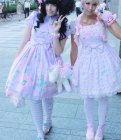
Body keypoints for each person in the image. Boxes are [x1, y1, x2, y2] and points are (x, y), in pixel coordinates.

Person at [5, 0, 75, 139]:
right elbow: (25, 40)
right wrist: (16, 60)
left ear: (60, 6)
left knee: (46, 94)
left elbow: (58, 51)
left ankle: (47, 121)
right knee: (33, 95)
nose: (49, 8)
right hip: (31, 60)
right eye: (47, 3)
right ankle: (39, 132)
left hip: (49, 62)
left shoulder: (64, 24)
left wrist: (55, 32)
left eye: (54, 4)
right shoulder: (35, 16)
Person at [70, 0, 121, 140]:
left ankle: (101, 127)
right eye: (87, 3)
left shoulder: (102, 18)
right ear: (81, 3)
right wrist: (72, 68)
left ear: (99, 5)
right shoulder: (76, 23)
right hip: (86, 61)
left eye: (94, 4)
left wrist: (107, 17)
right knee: (87, 96)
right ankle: (90, 126)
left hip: (103, 60)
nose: (90, 7)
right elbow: (73, 49)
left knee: (103, 96)